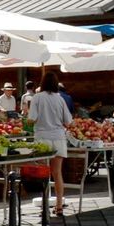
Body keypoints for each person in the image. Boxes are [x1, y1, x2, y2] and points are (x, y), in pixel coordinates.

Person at [28, 71, 73, 216]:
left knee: (44, 174)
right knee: (57, 173)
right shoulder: (60, 99)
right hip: (58, 137)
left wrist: (27, 118)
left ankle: (45, 206)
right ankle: (59, 205)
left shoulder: (37, 98)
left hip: (42, 138)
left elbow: (32, 118)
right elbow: (68, 121)